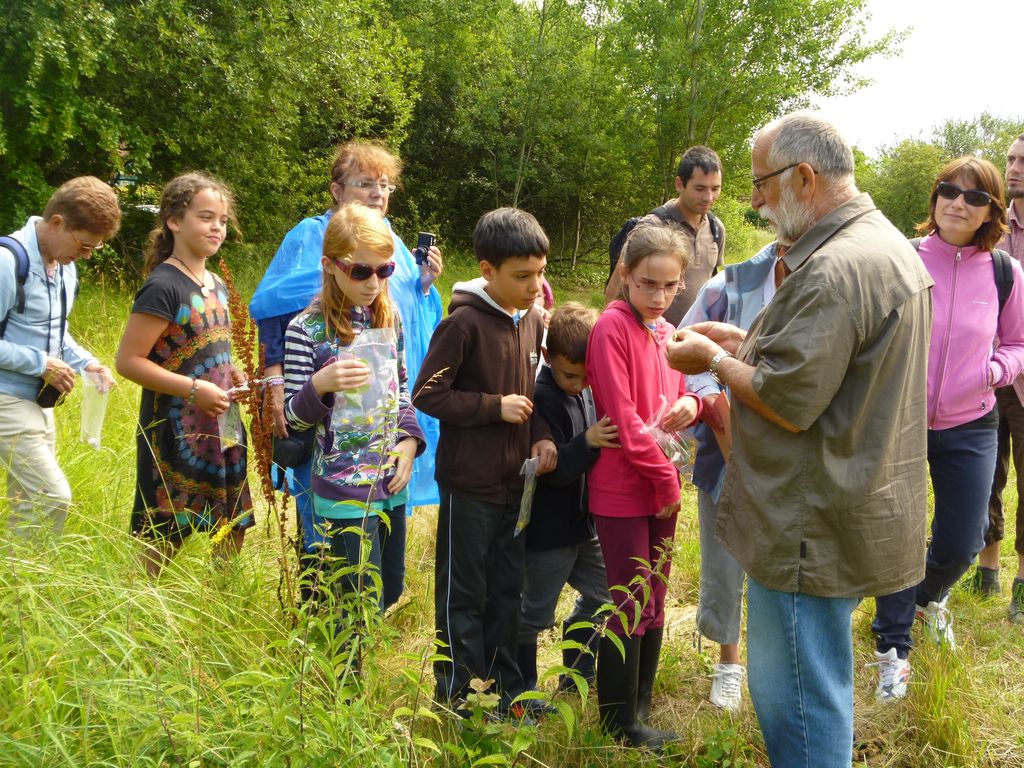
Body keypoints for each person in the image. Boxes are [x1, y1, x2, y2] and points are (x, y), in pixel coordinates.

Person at [667, 113, 932, 767]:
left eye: (760, 183)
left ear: (804, 177)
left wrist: (712, 360)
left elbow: (787, 401)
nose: (752, 199)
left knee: (800, 699)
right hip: (850, 498)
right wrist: (748, 343)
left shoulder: (832, 270)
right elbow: (832, 366)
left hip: (806, 520)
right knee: (818, 677)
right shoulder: (883, 244)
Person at [248, 140, 443, 601]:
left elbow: (405, 331)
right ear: (337, 190)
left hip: (379, 433)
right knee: (335, 559)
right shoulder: (309, 237)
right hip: (330, 448)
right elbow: (273, 305)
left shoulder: (386, 249)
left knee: (381, 581)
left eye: (384, 185)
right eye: (365, 184)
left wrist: (423, 283)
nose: (378, 193)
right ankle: (321, 612)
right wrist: (287, 381)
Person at [871, 157, 1022, 694]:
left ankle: (924, 599)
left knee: (965, 539)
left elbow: (1018, 343)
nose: (959, 202)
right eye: (949, 191)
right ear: (935, 199)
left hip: (972, 424)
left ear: (990, 213)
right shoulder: (903, 260)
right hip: (901, 421)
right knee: (900, 539)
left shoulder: (1006, 272)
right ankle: (892, 649)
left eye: (975, 197)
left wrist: (993, 370)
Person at [412, 207, 556, 717]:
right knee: (463, 595)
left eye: (540, 272)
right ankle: (459, 697)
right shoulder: (463, 323)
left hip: (515, 484)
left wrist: (539, 437)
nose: (535, 285)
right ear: (487, 270)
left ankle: (505, 691)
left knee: (506, 593)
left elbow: (533, 391)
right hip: (469, 486)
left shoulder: (535, 318)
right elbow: (427, 394)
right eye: (522, 276)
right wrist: (493, 407)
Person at [282, 203, 424, 627]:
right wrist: (320, 386)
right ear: (329, 266)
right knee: (354, 600)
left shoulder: (389, 318)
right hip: (341, 485)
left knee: (389, 587)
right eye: (360, 271)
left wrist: (409, 442)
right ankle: (344, 686)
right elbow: (292, 419)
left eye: (385, 271)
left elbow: (401, 391)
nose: (373, 283)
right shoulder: (304, 330)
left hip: (388, 479)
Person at [587, 223, 702, 748]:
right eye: (647, 284)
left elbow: (682, 392)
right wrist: (666, 484)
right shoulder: (611, 329)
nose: (659, 297)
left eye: (670, 286)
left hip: (663, 485)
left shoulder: (663, 332)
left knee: (654, 591)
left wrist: (692, 404)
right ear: (626, 276)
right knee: (628, 596)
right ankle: (618, 721)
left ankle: (640, 702)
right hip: (626, 490)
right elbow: (625, 419)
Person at [115, 172, 253, 577]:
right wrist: (194, 389)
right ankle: (140, 611)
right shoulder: (163, 285)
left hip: (223, 420)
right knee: (167, 529)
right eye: (206, 217)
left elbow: (213, 349)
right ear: (175, 221)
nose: (217, 228)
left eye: (223, 220)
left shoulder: (216, 283)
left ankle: (217, 608)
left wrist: (234, 376)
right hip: (175, 427)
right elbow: (129, 361)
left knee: (232, 521)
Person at [678, 239, 782, 711]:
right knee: (724, 555)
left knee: (781, 560)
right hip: (725, 449)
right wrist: (718, 412)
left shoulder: (832, 283)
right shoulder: (729, 288)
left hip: (796, 450)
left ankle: (776, 666)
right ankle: (729, 664)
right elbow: (681, 350)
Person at [0, 177, 120, 537]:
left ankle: (20, 587)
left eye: (94, 249)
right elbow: (41, 353)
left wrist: (86, 363)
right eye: (84, 244)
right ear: (56, 223)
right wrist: (42, 365)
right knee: (52, 496)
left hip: (41, 402)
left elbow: (55, 332)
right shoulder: (9, 261)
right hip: (7, 400)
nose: (85, 255)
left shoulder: (64, 264)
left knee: (28, 504)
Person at [515, 302, 617, 695]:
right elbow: (552, 472)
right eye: (570, 375)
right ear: (546, 357)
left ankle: (577, 672)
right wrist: (587, 443)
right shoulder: (544, 397)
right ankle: (520, 690)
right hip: (549, 533)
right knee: (534, 614)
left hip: (584, 524)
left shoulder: (586, 390)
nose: (579, 384)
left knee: (608, 592)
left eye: (587, 375)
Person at [973, 133, 1024, 623]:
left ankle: (1023, 587)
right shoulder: (987, 224)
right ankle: (986, 569)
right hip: (986, 377)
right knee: (988, 475)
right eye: (1010, 158)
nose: (1013, 168)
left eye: (1023, 161)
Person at [605, 145, 726, 325]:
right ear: (679, 184)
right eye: (700, 189)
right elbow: (614, 293)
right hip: (651, 340)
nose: (708, 197)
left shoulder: (716, 229)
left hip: (693, 341)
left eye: (715, 189)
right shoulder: (652, 226)